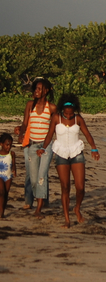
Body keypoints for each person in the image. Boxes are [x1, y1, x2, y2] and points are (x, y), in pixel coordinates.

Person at [39, 94, 100, 228]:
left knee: (80, 187)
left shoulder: (78, 119)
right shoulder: (56, 118)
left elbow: (87, 134)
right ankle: (67, 219)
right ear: (62, 109)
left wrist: (94, 148)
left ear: (74, 109)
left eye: (70, 112)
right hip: (61, 153)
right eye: (66, 112)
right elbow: (49, 135)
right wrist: (43, 148)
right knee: (65, 187)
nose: (68, 115)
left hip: (76, 152)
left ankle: (77, 208)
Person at [14, 77, 56, 217]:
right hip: (32, 144)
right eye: (36, 88)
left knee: (41, 176)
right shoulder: (30, 105)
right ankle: (39, 199)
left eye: (39, 89)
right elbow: (25, 122)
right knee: (33, 179)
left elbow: (55, 126)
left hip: (45, 145)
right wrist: (22, 133)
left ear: (46, 90)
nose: (36, 91)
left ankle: (39, 207)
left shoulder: (51, 108)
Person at [0, 132, 17, 219]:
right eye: (7, 145)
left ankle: (2, 211)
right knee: (1, 192)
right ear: (1, 144)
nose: (8, 147)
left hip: (8, 176)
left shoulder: (12, 154)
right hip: (0, 175)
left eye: (10, 145)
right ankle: (0, 212)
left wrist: (14, 170)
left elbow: (13, 164)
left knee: (6, 194)